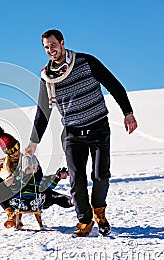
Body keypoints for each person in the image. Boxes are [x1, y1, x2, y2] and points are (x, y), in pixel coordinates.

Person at [25, 29, 138, 237]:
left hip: (98, 127)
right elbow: (43, 111)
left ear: (62, 42)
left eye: (53, 45)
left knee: (101, 175)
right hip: (72, 133)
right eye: (46, 47)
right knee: (76, 180)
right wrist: (34, 141)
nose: (51, 50)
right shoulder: (47, 78)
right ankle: (84, 221)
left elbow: (113, 85)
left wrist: (128, 113)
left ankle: (99, 212)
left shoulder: (87, 62)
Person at [0, 126, 73, 228]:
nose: (16, 152)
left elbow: (41, 178)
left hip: (35, 191)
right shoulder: (4, 164)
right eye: (11, 151)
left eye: (16, 147)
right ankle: (11, 213)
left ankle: (73, 201)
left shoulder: (28, 157)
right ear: (6, 153)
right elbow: (5, 176)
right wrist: (9, 180)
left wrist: (55, 176)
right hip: (16, 194)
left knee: (49, 191)